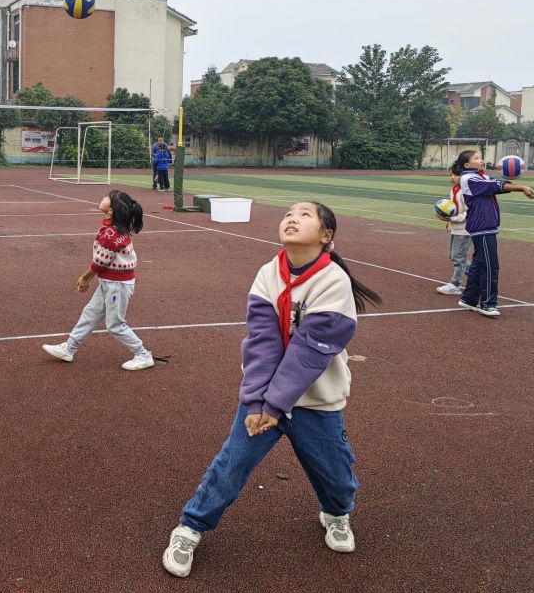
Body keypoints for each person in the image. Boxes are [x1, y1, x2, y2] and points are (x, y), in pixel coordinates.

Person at [161, 202, 382, 578]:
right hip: (264, 401)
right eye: (288, 214)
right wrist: (257, 400)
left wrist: (275, 404)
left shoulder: (333, 280)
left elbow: (310, 350)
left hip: (315, 402)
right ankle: (190, 529)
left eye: (305, 215)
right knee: (230, 466)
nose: (292, 218)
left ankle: (336, 514)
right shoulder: (268, 273)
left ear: (326, 236)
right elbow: (262, 342)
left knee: (336, 477)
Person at [41, 190, 155, 371]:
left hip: (116, 285)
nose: (102, 199)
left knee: (115, 324)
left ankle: (143, 354)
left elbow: (100, 263)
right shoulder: (113, 230)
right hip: (111, 283)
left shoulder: (111, 235)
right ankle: (69, 348)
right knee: (90, 313)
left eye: (107, 199)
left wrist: (85, 278)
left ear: (111, 211)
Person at [454, 150, 534, 317]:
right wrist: (521, 187)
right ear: (466, 165)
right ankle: (487, 304)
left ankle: (469, 299)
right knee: (490, 265)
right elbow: (494, 186)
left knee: (479, 263)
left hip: (485, 226)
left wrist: (514, 185)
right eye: (476, 158)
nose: (481, 160)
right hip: (482, 227)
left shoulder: (480, 176)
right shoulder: (469, 178)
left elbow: (497, 183)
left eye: (480, 157)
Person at [436, 165, 471, 295]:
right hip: (456, 228)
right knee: (454, 255)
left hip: (464, 229)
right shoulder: (454, 190)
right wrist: (447, 217)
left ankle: (455, 284)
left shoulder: (466, 192)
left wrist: (454, 218)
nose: (452, 177)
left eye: (455, 175)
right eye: (450, 175)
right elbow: (453, 208)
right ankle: (477, 276)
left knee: (458, 257)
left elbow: (470, 212)